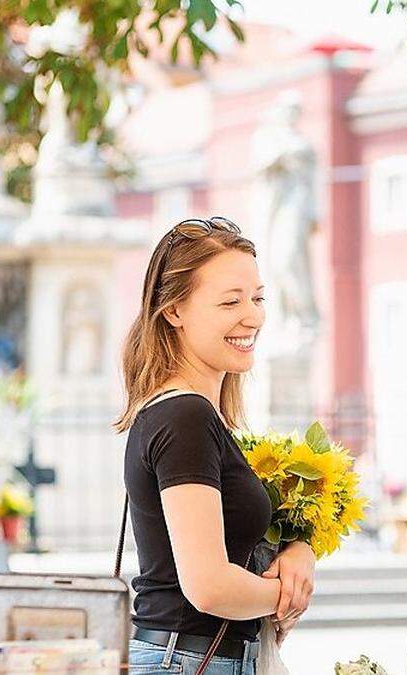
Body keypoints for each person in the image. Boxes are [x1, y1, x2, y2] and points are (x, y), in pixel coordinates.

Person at [115, 217, 316, 674]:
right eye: (230, 302)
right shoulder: (184, 416)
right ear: (174, 310)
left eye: (258, 298)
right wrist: (289, 592)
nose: (254, 316)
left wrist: (297, 551)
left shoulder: (193, 415)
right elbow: (208, 586)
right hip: (189, 660)